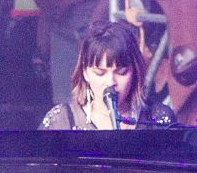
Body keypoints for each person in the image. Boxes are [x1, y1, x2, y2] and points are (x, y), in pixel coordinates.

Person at [38, 20, 168, 130]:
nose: (110, 82)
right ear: (85, 73)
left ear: (135, 72)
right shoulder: (61, 120)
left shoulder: (158, 119)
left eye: (121, 72)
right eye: (100, 73)